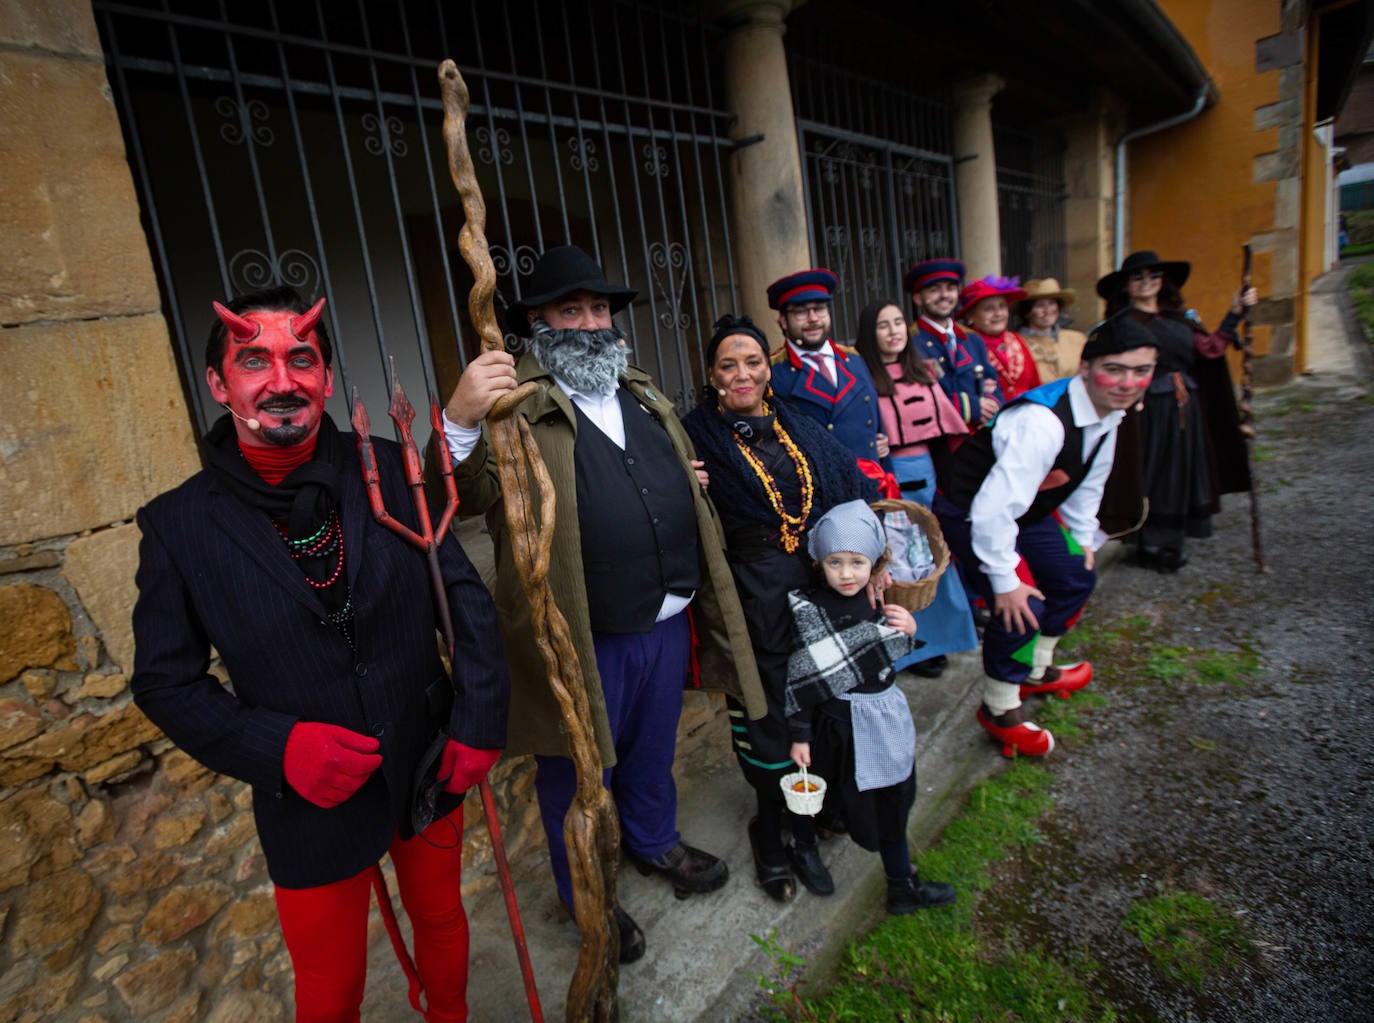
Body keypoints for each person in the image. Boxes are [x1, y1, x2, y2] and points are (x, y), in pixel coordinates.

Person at [131, 286, 510, 1022]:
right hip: (305, 799)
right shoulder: (178, 526)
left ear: (327, 379)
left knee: (441, 923)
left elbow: (460, 594)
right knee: (330, 982)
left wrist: (480, 718)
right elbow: (164, 680)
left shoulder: (388, 465)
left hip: (427, 756)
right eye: (253, 361)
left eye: (301, 358)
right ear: (218, 383)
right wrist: (278, 748)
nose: (281, 381)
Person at [439, 246, 766, 963]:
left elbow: (663, 467)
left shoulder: (639, 389)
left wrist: (684, 474)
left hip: (666, 612)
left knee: (651, 749)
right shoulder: (513, 406)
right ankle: (587, 891)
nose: (590, 323)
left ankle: (653, 842)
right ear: (538, 322)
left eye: (599, 310)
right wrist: (459, 418)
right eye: (570, 310)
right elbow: (468, 497)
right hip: (585, 630)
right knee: (581, 771)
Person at [682, 314, 877, 904]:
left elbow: (848, 490)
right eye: (727, 365)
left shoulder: (800, 423)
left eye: (753, 362)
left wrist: (875, 553)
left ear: (769, 369)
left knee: (821, 715)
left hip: (817, 592)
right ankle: (773, 839)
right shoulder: (692, 436)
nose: (742, 374)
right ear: (712, 376)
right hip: (751, 604)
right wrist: (680, 480)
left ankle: (814, 818)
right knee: (769, 731)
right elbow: (666, 506)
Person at [932, 315, 1159, 756]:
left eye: (1142, 371)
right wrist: (1006, 581)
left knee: (1075, 573)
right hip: (969, 512)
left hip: (1025, 512)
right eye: (1116, 369)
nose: (1129, 383)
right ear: (1087, 368)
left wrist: (1083, 539)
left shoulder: (1110, 411)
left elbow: (1088, 480)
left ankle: (1035, 669)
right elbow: (991, 511)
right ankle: (998, 708)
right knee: (1021, 605)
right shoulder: (1041, 423)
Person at [783, 500, 958, 914]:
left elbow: (881, 651)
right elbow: (804, 678)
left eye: (857, 562)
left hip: (881, 719)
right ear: (819, 563)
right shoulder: (812, 612)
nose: (846, 573)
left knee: (891, 798)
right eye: (835, 562)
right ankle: (803, 846)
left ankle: (901, 885)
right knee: (815, 790)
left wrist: (909, 630)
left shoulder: (878, 598)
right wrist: (800, 736)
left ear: (875, 564)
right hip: (834, 726)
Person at [1097, 250, 1256, 571]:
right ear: (1126, 285)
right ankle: (1151, 544)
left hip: (1186, 407)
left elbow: (1209, 349)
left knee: (1181, 471)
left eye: (1153, 276)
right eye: (1138, 277)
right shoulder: (1120, 325)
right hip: (1146, 408)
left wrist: (1234, 313)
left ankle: (1173, 540)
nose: (1146, 282)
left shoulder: (1180, 319)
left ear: (1162, 282)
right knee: (1152, 473)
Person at [853, 299, 977, 679]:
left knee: (933, 559)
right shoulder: (863, 378)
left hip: (929, 476)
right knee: (900, 564)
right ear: (869, 334)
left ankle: (942, 640)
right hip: (891, 479)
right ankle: (905, 649)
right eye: (882, 325)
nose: (893, 331)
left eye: (898, 323)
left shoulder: (923, 371)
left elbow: (947, 429)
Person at [765, 268, 889, 464]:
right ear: (783, 321)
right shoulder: (773, 373)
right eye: (801, 311)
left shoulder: (854, 360)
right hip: (821, 488)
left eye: (819, 309)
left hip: (871, 480)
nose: (813, 318)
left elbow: (877, 431)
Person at [903, 258, 1003, 428]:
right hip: (940, 443)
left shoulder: (973, 339)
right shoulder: (909, 343)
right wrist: (971, 407)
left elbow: (993, 384)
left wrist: (990, 407)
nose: (944, 295)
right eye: (934, 290)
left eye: (950, 288)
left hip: (979, 436)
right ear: (918, 299)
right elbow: (915, 401)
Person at [958, 275, 1042, 401]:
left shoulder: (1017, 340)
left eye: (1002, 306)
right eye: (989, 309)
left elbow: (1036, 385)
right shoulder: (965, 347)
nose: (998, 313)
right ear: (970, 316)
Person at [1016, 278, 1087, 383]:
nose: (1048, 310)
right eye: (1040, 305)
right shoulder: (1015, 343)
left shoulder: (1078, 339)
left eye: (1051, 303)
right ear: (1027, 312)